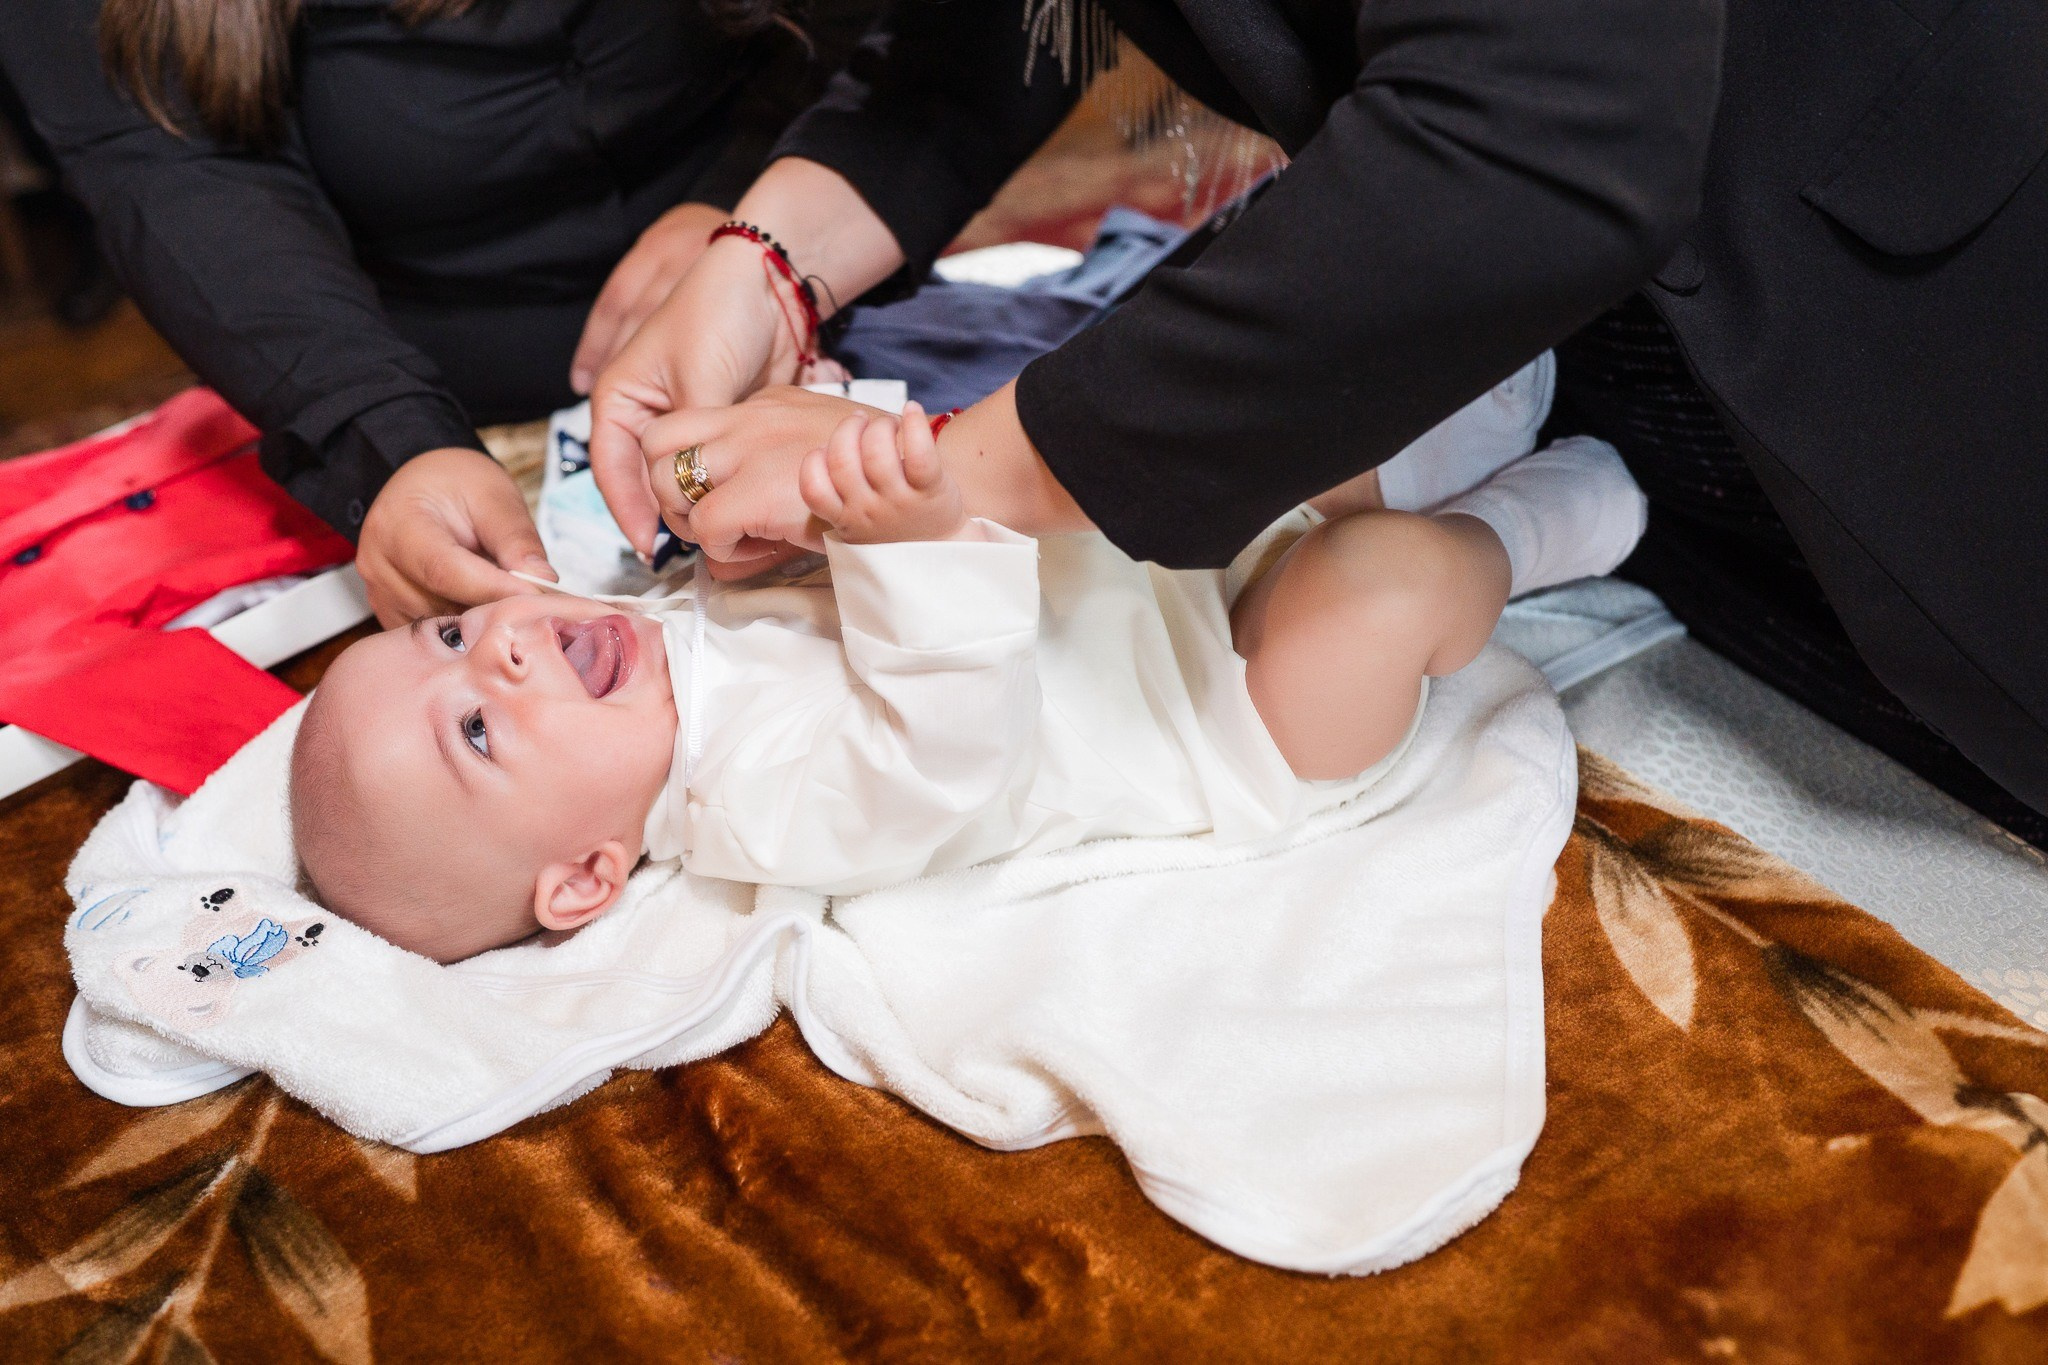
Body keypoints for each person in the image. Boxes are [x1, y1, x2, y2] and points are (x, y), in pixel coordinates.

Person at [588, 0, 2048, 835]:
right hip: (1568, 357)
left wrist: (949, 480)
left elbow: (1537, 137)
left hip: (1916, 310)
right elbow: (986, 35)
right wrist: (768, 263)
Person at [287, 383, 1648, 963]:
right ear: (585, 875)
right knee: (1384, 582)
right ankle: (1522, 535)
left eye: (454, 636)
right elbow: (945, 744)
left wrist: (793, 475)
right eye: (477, 728)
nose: (506, 646)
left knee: (1281, 429)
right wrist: (909, 532)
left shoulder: (655, 636)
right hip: (1219, 710)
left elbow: (809, 544)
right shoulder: (754, 810)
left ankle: (1473, 408)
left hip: (1139, 569)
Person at [0, 0, 882, 624]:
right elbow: (178, 179)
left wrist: (755, 216)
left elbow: (915, 52)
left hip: (832, 279)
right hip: (410, 382)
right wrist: (387, 437)